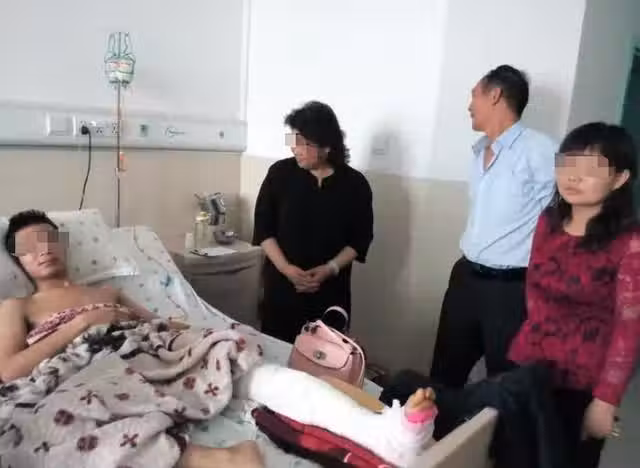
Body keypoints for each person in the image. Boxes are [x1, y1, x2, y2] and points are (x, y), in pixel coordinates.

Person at [0, 210, 433, 468]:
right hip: (86, 368)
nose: (43, 249)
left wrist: (203, 335)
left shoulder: (108, 291)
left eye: (48, 238)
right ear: (18, 261)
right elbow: (8, 370)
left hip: (145, 347)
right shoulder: (18, 307)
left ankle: (385, 434)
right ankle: (212, 459)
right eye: (28, 246)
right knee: (44, 433)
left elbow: (159, 323)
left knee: (239, 359)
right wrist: (81, 324)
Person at [508, 122, 640, 468]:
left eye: (590, 169)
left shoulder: (629, 243)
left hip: (581, 382)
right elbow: (534, 292)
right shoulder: (548, 222)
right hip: (528, 367)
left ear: (620, 179)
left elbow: (629, 329)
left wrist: (606, 399)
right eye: (567, 164)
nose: (573, 177)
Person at [430, 65, 557, 386]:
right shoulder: (478, 152)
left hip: (511, 289)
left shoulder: (541, 151)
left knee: (504, 383)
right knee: (443, 375)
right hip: (466, 279)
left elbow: (561, 218)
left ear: (495, 95)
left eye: (474, 95)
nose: (469, 105)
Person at [253, 101, 374, 343]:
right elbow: (264, 229)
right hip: (282, 288)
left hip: (330, 291)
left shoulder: (355, 184)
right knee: (277, 352)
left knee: (325, 355)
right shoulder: (279, 174)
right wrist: (287, 269)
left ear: (326, 145)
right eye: (293, 140)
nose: (294, 149)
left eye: (303, 143)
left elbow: (360, 239)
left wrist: (329, 269)